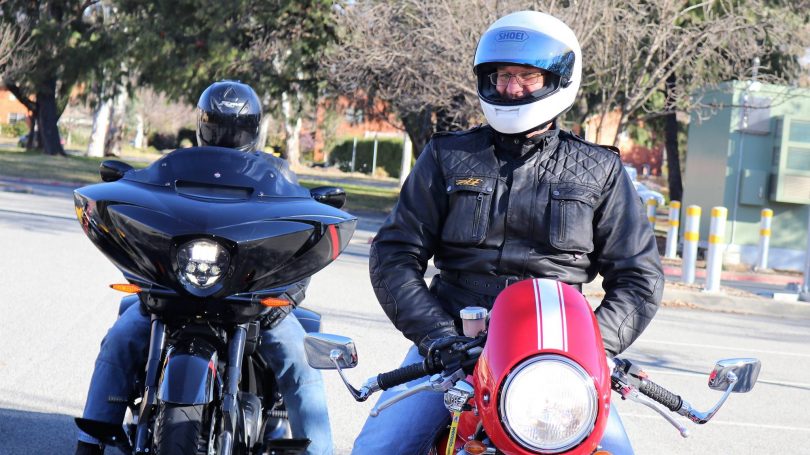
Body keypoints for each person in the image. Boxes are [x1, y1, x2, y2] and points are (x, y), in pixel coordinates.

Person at [353, 11, 663, 454]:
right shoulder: (448, 156)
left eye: (526, 76)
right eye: (501, 75)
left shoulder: (601, 169)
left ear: (558, 79)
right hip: (453, 348)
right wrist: (437, 336)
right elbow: (394, 254)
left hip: (559, 355)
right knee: (380, 447)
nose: (511, 87)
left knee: (616, 450)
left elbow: (639, 276)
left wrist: (595, 344)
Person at [76, 80, 333, 455]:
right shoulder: (171, 170)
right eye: (217, 122)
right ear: (202, 123)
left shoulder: (277, 178)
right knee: (119, 339)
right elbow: (151, 215)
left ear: (253, 127)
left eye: (236, 125)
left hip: (253, 300)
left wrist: (284, 291)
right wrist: (127, 189)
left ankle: (320, 452)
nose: (226, 133)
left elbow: (297, 233)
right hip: (176, 293)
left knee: (301, 363)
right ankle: (89, 444)